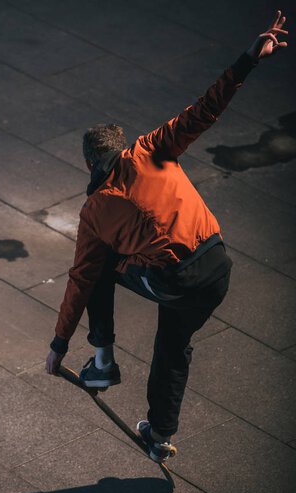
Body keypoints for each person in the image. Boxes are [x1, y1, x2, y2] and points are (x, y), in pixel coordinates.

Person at [46, 10, 288, 463]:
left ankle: (103, 364)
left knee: (98, 269)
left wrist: (59, 345)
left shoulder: (95, 209)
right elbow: (206, 109)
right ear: (123, 145)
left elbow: (80, 280)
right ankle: (159, 433)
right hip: (218, 266)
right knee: (173, 346)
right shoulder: (153, 146)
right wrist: (248, 59)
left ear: (88, 165)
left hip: (175, 279)